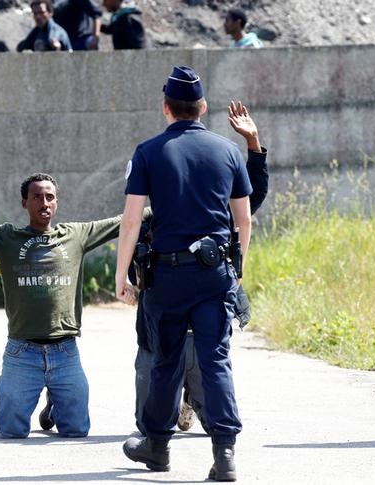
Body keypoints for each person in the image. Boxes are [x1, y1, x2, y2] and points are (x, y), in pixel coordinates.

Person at [116, 66, 252, 481]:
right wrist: (235, 271)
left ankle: (157, 447)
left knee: (165, 362)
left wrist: (122, 275)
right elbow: (243, 221)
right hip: (214, 276)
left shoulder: (148, 152)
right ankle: (224, 454)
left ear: (166, 108)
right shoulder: (228, 151)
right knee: (215, 361)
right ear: (203, 107)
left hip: (168, 278)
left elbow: (132, 221)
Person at [0, 173, 148, 439]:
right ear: (24, 203)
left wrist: (169, 204)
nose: (44, 202)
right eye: (37, 196)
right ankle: (39, 394)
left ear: (56, 202)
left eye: (50, 197)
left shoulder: (76, 236)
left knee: (76, 430)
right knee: (11, 431)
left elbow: (125, 220)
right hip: (22, 351)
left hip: (65, 351)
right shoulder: (7, 238)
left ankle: (55, 404)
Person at [133, 100, 269, 435]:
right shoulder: (155, 225)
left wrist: (253, 146)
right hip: (161, 330)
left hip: (203, 326)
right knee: (148, 410)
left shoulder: (215, 220)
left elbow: (249, 203)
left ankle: (191, 406)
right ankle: (163, 429)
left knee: (210, 378)